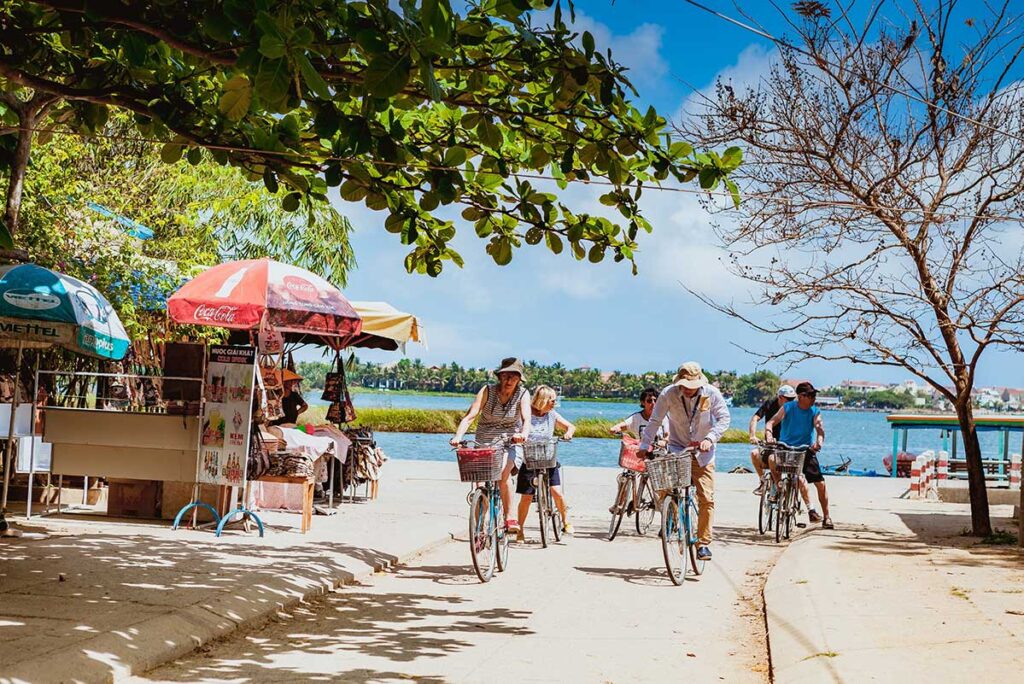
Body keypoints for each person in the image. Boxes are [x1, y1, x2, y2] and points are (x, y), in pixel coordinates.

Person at [638, 362, 731, 561]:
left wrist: (710, 438)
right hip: (677, 447)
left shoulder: (711, 393)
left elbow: (724, 418)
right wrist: (644, 445)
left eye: (692, 386)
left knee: (706, 497)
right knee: (664, 486)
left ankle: (703, 543)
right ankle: (670, 516)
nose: (688, 390)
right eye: (684, 386)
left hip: (703, 451)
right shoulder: (667, 394)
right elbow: (655, 420)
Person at [451, 357, 531, 533]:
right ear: (499, 377)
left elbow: (526, 419)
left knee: (503, 474)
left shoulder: (523, 394)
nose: (509, 380)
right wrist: (458, 436)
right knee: (480, 486)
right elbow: (471, 415)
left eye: (514, 376)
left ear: (519, 379)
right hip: (484, 441)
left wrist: (523, 434)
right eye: (505, 376)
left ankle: (510, 517)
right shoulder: (487, 390)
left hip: (510, 441)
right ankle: (479, 529)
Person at [765, 381, 832, 529]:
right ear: (801, 396)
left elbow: (820, 430)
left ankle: (826, 516)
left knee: (820, 484)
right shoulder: (788, 407)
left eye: (814, 395)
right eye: (811, 395)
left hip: (805, 450)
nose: (814, 398)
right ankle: (778, 486)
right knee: (771, 459)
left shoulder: (815, 411)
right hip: (786, 448)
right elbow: (771, 422)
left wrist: (818, 443)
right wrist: (769, 435)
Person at [515, 385, 575, 541]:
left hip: (548, 458)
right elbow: (516, 429)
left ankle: (565, 521)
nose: (554, 403)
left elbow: (570, 426)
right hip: (529, 458)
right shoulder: (526, 414)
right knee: (526, 497)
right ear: (543, 400)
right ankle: (519, 530)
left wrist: (568, 432)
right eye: (552, 400)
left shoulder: (552, 415)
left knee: (557, 492)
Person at [748, 385, 797, 494]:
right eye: (788, 399)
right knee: (754, 454)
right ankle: (763, 482)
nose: (791, 401)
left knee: (776, 461)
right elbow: (755, 418)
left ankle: (781, 490)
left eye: (793, 398)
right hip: (771, 444)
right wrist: (752, 435)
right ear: (780, 397)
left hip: (788, 445)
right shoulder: (770, 404)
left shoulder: (795, 408)